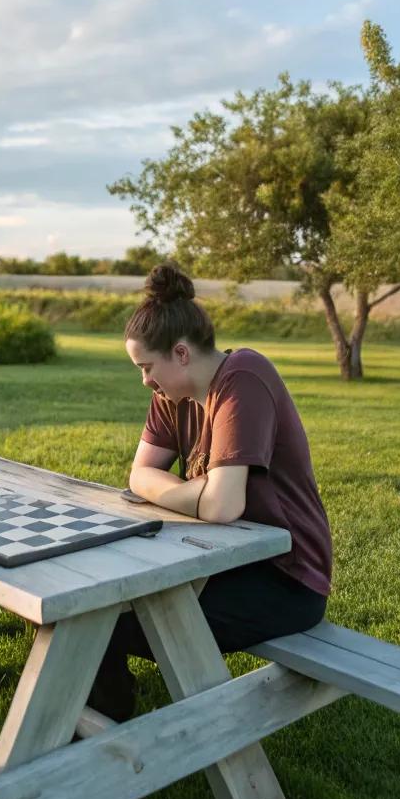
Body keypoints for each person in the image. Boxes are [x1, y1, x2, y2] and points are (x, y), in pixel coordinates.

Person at [88, 263, 331, 721]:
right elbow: (139, 475)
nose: (144, 380)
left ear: (181, 353)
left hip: (284, 579)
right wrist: (195, 491)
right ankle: (106, 717)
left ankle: (108, 737)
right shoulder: (170, 397)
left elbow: (223, 506)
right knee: (97, 602)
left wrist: (184, 492)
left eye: (146, 367)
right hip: (220, 560)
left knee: (101, 623)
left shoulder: (243, 378)